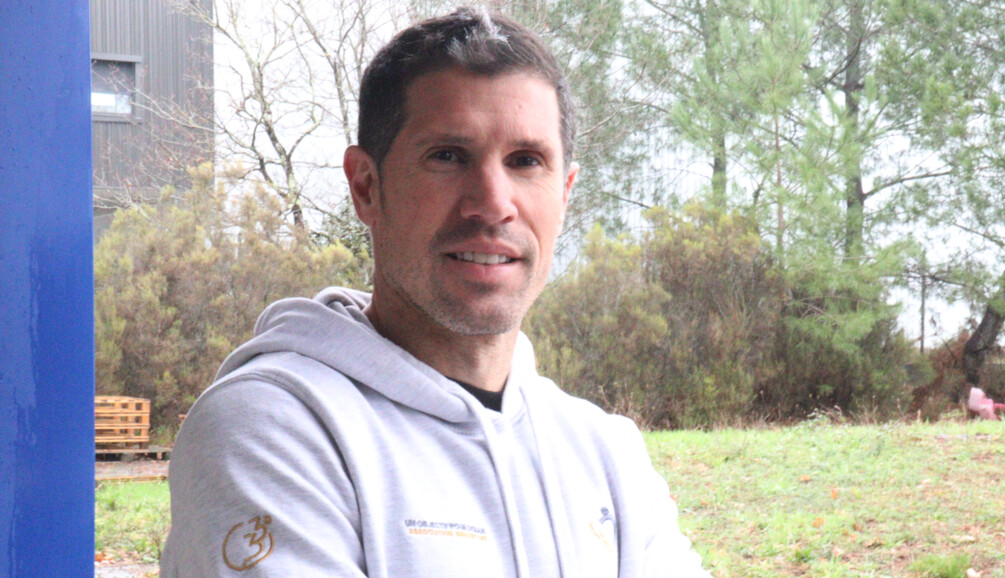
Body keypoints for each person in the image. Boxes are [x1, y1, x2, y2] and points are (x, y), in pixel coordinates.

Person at [160, 8, 709, 577]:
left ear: (565, 194)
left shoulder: (606, 456)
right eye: (448, 156)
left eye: (526, 161)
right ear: (365, 187)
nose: (493, 203)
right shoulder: (272, 431)